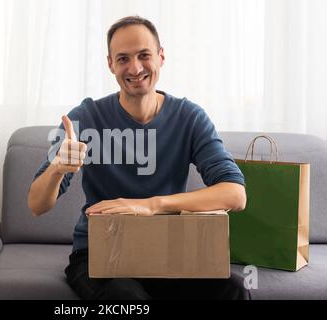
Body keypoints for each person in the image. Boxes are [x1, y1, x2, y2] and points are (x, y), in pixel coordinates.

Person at [28, 16, 248, 300]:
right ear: (110, 64)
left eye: (144, 55)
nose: (135, 68)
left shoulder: (189, 117)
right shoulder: (85, 118)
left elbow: (235, 194)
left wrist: (150, 206)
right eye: (123, 59)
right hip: (99, 254)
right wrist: (58, 168)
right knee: (127, 298)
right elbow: (36, 205)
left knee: (232, 288)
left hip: (167, 250)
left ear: (161, 57)